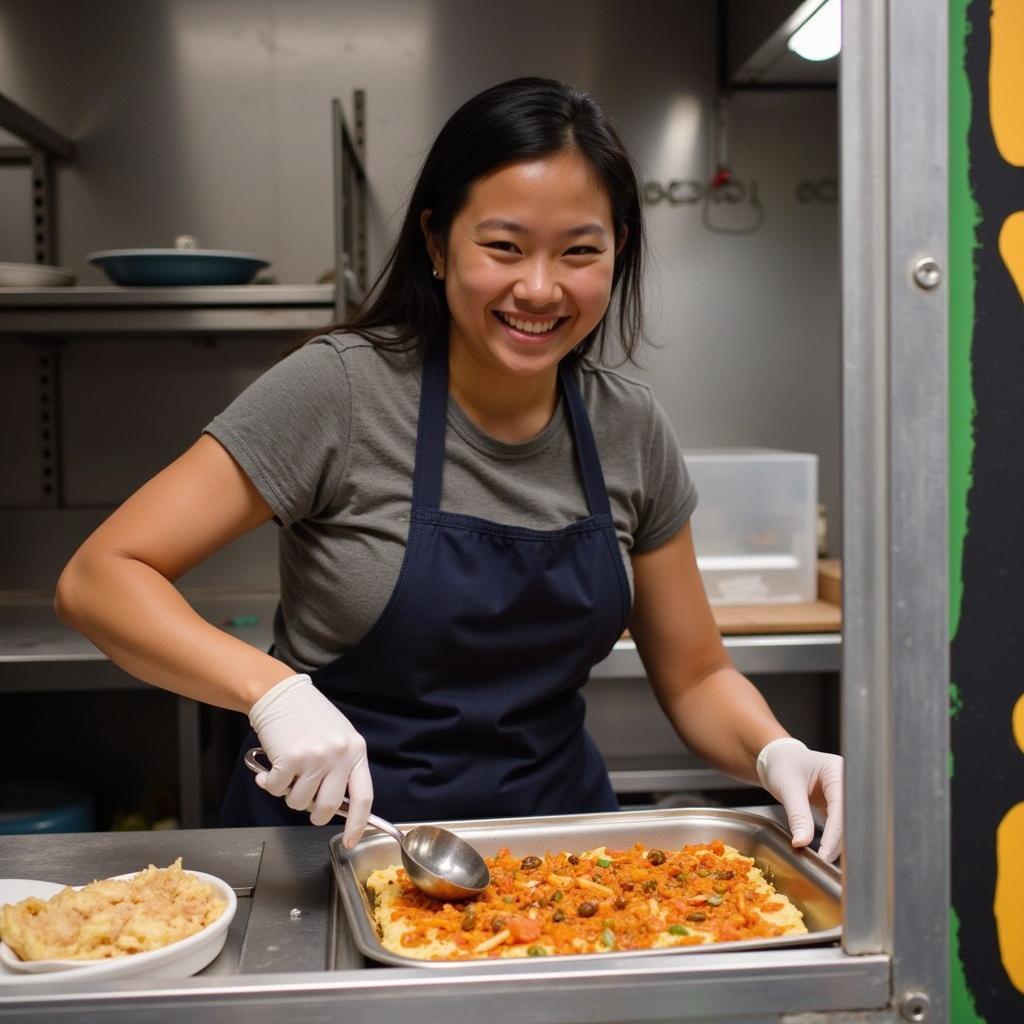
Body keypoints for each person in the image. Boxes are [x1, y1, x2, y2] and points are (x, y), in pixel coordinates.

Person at [54, 77, 842, 860]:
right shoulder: (341, 390)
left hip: (560, 863)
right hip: (336, 853)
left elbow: (698, 676)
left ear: (618, 252)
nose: (539, 287)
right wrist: (273, 693)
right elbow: (101, 578)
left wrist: (777, 752)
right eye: (503, 247)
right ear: (437, 242)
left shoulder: (628, 427)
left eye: (579, 251)